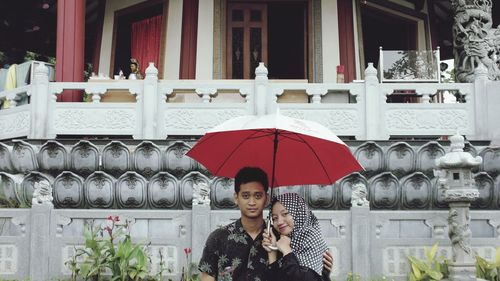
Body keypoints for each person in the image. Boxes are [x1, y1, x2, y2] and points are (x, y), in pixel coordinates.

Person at [198, 167, 333, 281]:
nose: (252, 202)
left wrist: (323, 270)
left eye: (258, 196)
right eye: (245, 196)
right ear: (236, 198)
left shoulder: (283, 239)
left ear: (266, 198)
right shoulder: (218, 238)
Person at [262, 193, 331, 281]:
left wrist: (287, 251)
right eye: (275, 218)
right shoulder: (286, 241)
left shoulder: (311, 239)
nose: (279, 222)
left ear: (299, 212)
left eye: (285, 214)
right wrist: (272, 252)